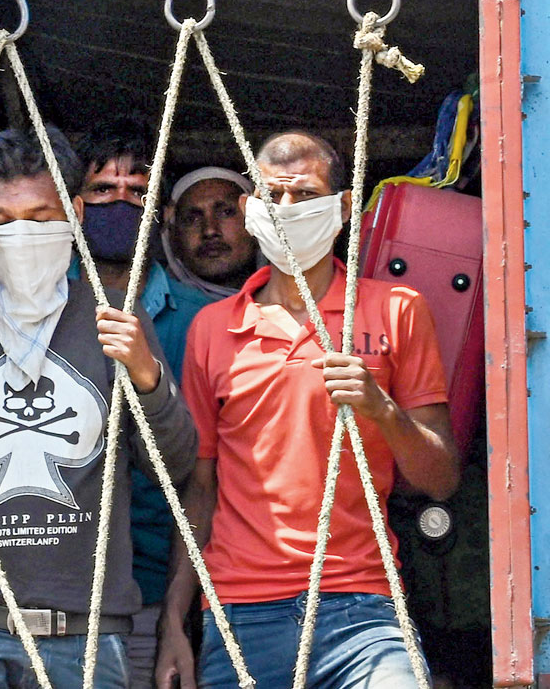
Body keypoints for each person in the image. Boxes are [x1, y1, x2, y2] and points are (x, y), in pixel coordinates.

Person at [157, 131, 460, 689]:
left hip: (363, 607)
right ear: (252, 212)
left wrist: (383, 409)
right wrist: (173, 621)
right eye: (275, 198)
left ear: (344, 207)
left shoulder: (395, 310)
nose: (289, 211)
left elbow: (440, 480)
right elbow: (200, 489)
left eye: (307, 195)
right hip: (240, 614)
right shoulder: (213, 329)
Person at [0, 126, 198, 688]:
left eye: (40, 219)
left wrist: (146, 373)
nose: (21, 236)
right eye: (2, 221)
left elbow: (175, 464)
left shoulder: (115, 316)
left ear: (75, 214)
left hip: (89, 631)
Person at [72, 119, 212, 688]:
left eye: (138, 190)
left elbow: (201, 481)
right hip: (43, 590)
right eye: (103, 190)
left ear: (161, 210)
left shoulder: (200, 320)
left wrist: (175, 622)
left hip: (153, 595)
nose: (121, 202)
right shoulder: (30, 309)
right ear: (75, 205)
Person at [160, 166, 259, 300]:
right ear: (172, 237)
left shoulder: (289, 299)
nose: (210, 231)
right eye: (192, 219)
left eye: (226, 213)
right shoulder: (150, 312)